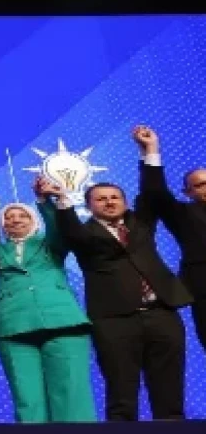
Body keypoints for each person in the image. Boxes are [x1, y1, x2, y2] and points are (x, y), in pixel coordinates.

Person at [54, 170, 193, 421]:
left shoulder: (141, 225)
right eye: (101, 199)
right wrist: (62, 200)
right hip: (114, 320)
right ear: (88, 206)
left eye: (115, 197)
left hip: (162, 313)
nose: (109, 202)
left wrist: (149, 154)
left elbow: (152, 193)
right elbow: (70, 229)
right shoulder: (84, 235)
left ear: (125, 202)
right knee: (121, 392)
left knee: (169, 388)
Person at [0, 179, 95, 423]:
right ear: (2, 225)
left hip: (62, 320)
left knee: (71, 391)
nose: (15, 220)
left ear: (34, 221)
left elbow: (58, 229)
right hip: (13, 324)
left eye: (23, 216)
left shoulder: (50, 245)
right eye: (9, 217)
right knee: (27, 397)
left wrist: (44, 200)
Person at [132, 125, 206, 355]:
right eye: (200, 184)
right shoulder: (184, 215)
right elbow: (155, 193)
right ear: (188, 193)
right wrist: (151, 149)